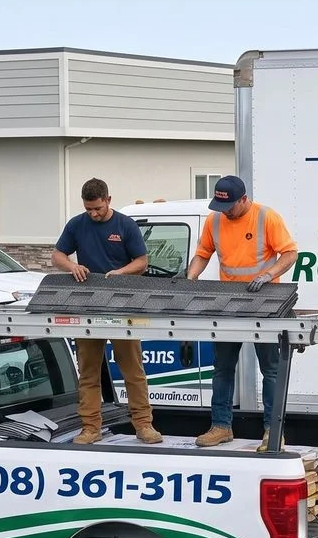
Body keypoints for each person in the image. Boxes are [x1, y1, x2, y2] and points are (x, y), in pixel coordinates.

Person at [184, 175, 297, 450]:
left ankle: (273, 431)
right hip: (229, 303)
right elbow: (203, 253)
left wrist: (268, 275)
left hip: (265, 303)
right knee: (222, 368)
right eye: (221, 206)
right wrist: (191, 278)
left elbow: (290, 253)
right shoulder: (215, 220)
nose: (226, 212)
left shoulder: (266, 218)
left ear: (244, 199)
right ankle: (221, 426)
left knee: (271, 370)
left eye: (231, 206)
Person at [52, 178, 160, 445]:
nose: (93, 213)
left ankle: (144, 425)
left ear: (108, 200)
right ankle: (90, 428)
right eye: (89, 209)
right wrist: (71, 267)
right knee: (88, 372)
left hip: (122, 308)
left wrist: (120, 273)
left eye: (97, 208)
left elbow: (142, 262)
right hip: (88, 307)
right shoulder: (77, 224)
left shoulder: (125, 225)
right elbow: (57, 255)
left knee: (132, 370)